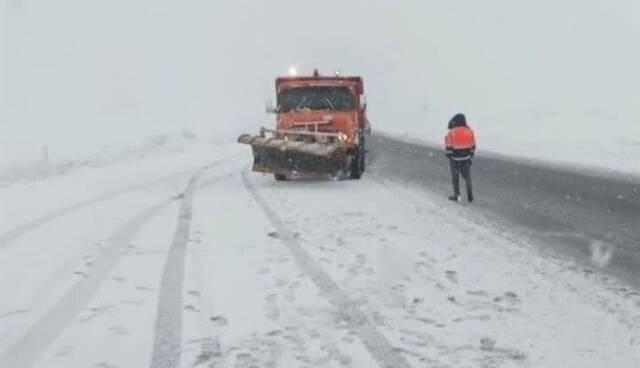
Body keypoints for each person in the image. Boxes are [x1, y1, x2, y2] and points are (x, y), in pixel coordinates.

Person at [444, 113, 476, 202]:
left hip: (455, 159)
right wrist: (470, 156)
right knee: (467, 177)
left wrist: (449, 155)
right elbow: (473, 146)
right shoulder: (469, 131)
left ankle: (457, 195)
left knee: (455, 177)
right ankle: (470, 196)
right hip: (466, 158)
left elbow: (449, 147)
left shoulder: (452, 132)